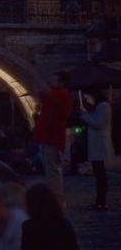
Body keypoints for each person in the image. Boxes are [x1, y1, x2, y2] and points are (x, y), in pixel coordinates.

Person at [32, 71, 73, 199]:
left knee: (52, 168)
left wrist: (38, 80)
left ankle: (55, 194)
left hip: (52, 135)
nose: (51, 82)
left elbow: (46, 95)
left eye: (54, 80)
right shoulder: (58, 94)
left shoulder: (61, 94)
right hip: (49, 134)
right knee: (51, 166)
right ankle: (54, 192)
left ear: (61, 82)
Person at [78, 89, 112, 210]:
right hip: (95, 144)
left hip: (100, 144)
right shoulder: (97, 107)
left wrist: (85, 115)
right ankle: (99, 200)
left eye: (88, 97)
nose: (87, 100)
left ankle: (102, 201)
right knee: (98, 173)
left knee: (100, 174)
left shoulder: (104, 106)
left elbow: (98, 124)